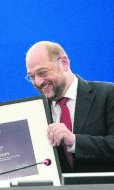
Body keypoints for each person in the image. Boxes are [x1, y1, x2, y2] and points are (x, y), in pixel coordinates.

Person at [25, 41, 114, 173]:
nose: (38, 82)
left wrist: (74, 141)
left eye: (42, 72)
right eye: (32, 76)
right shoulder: (35, 111)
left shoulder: (108, 94)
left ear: (64, 63)